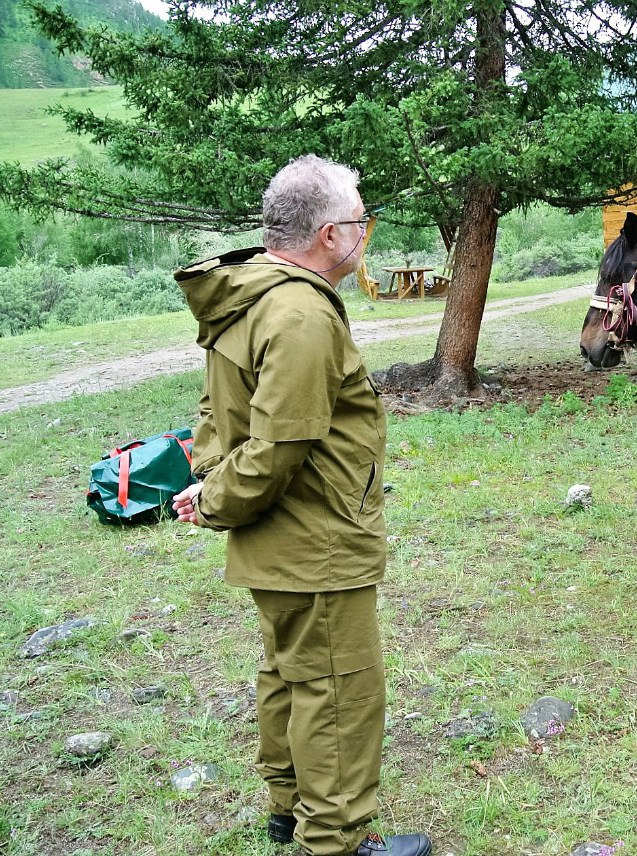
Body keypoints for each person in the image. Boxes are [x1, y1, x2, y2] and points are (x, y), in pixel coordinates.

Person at [171, 155, 431, 856]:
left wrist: (210, 484)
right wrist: (217, 495)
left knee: (291, 674)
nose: (366, 231)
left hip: (281, 541)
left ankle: (290, 808)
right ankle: (335, 838)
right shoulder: (300, 312)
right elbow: (278, 446)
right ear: (328, 234)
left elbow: (218, 414)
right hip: (316, 540)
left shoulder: (250, 294)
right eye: (361, 219)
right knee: (340, 690)